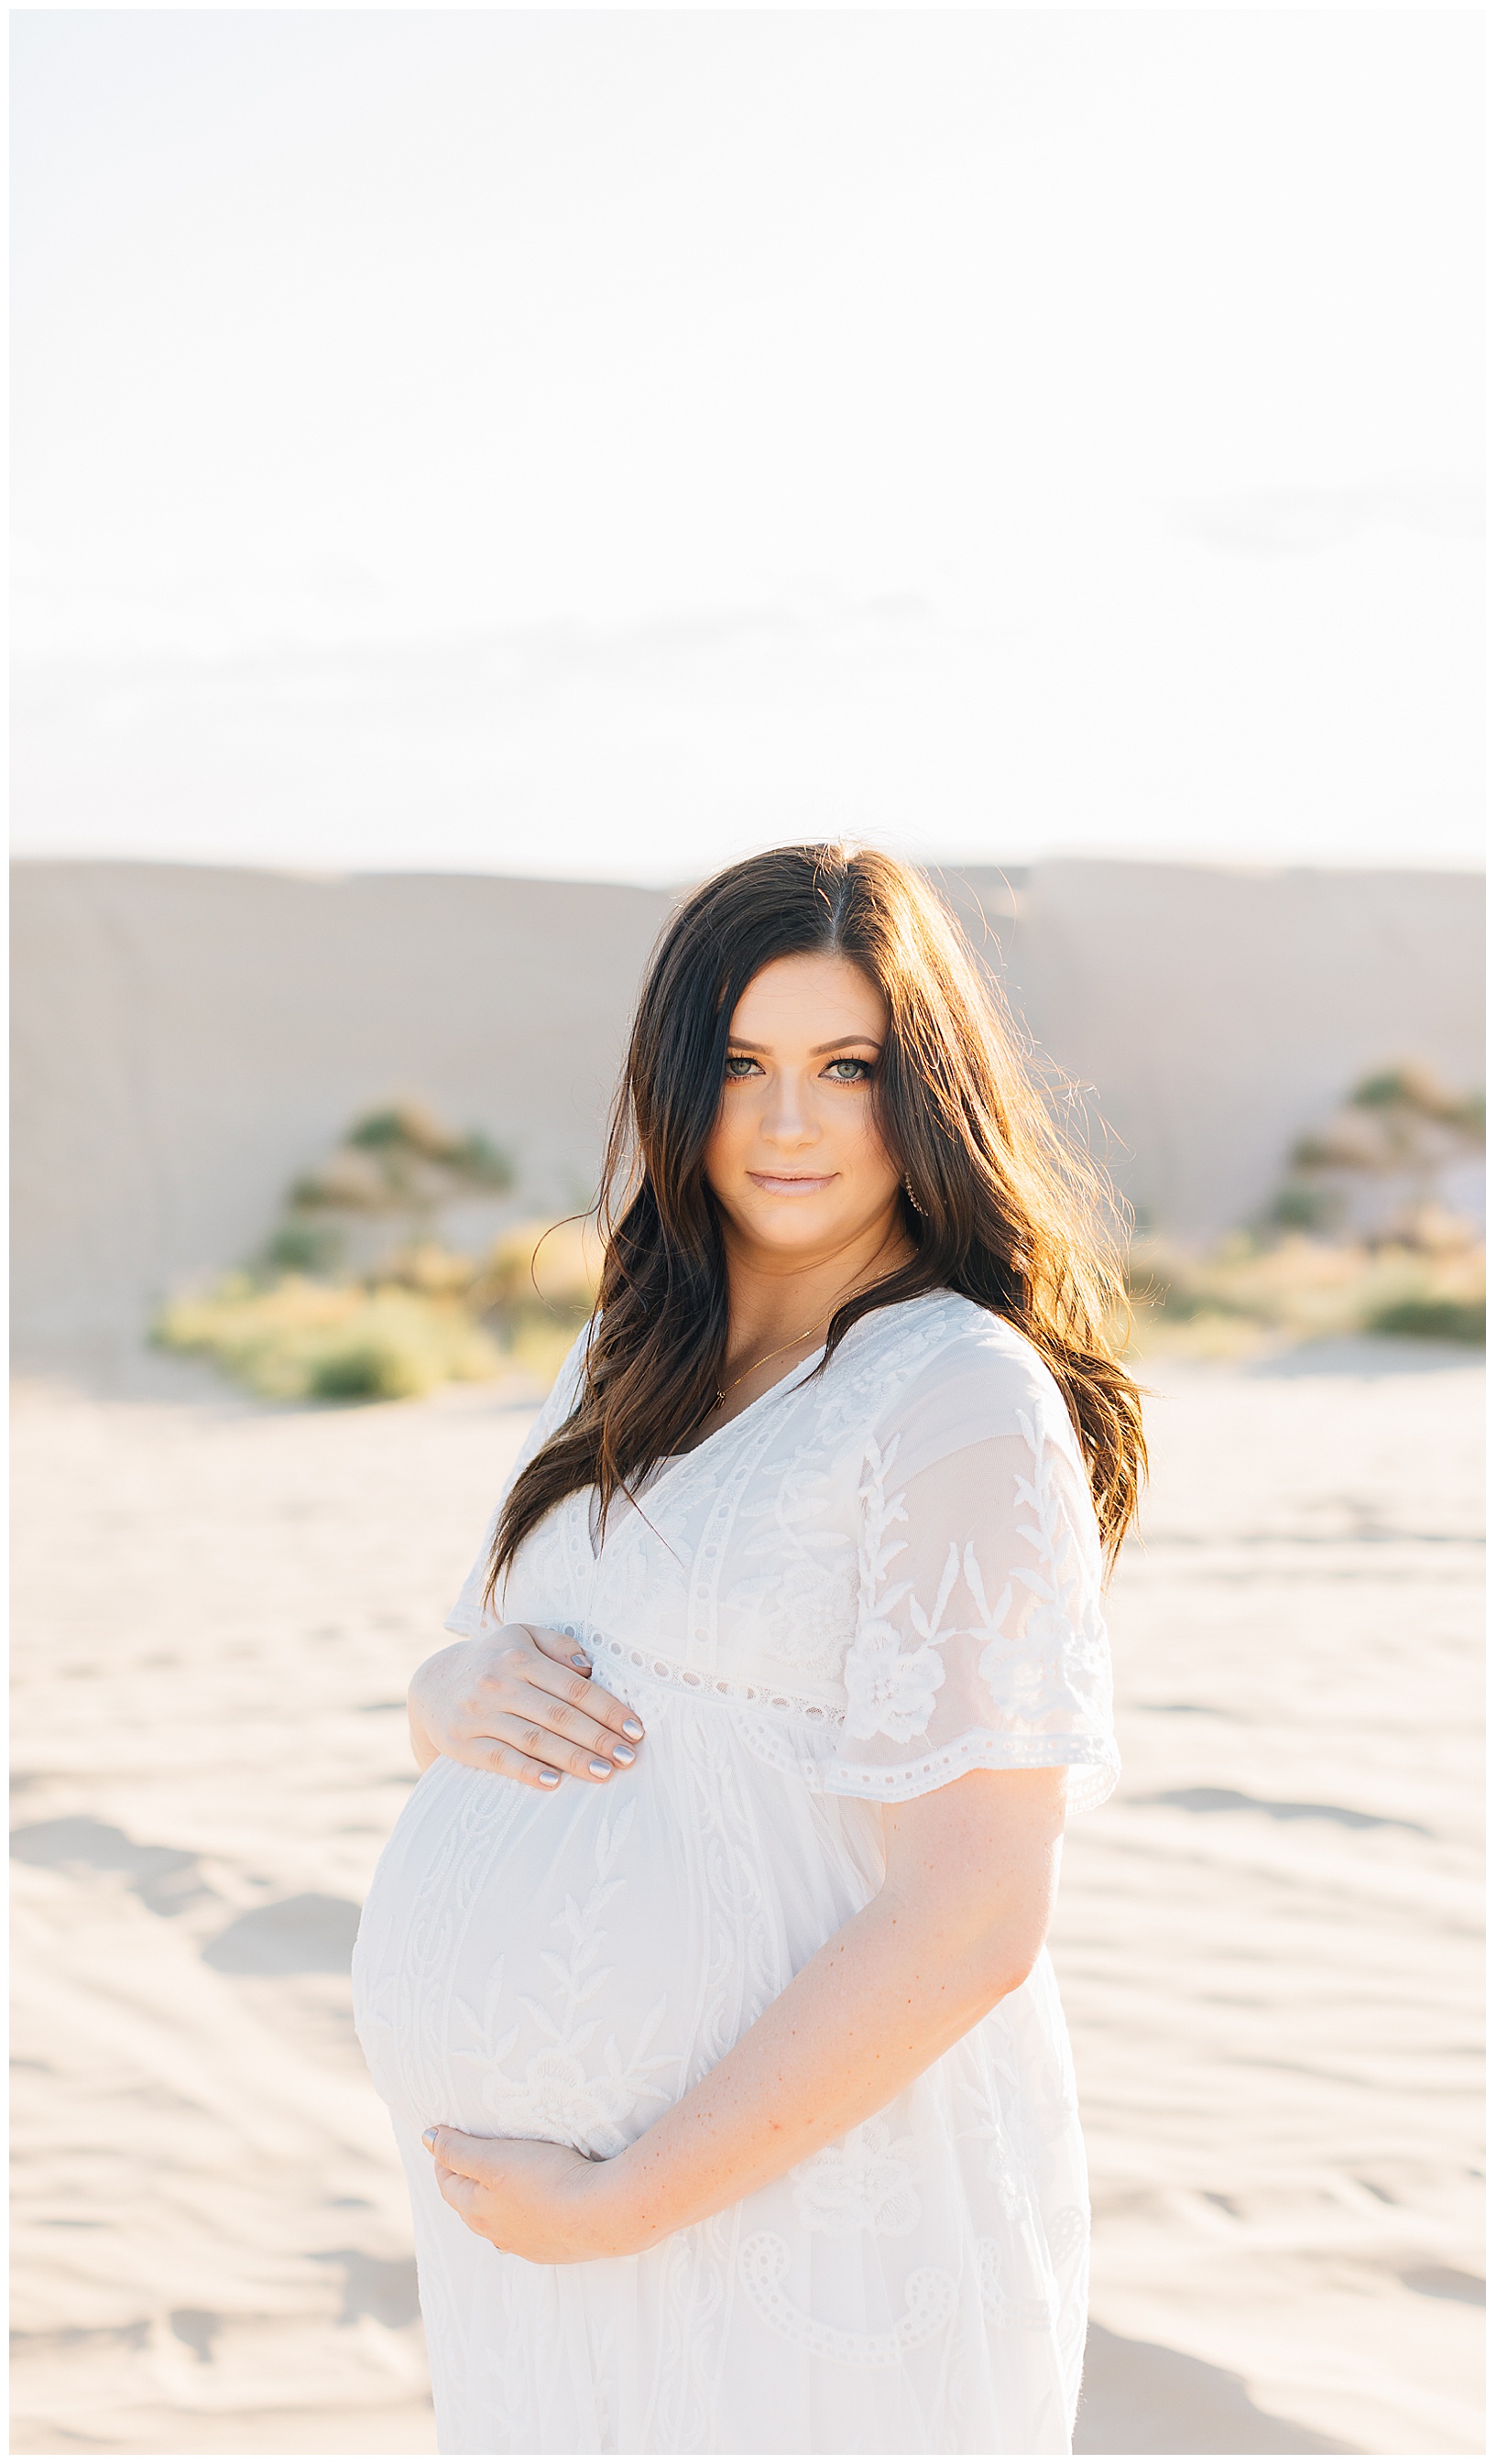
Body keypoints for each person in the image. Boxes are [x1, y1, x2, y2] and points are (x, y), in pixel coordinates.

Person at [353, 843, 1146, 2454]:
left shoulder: (952, 1395)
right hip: (551, 2255)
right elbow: (487, 1676)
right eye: (739, 1063)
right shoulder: (634, 1345)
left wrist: (628, 2196)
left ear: (922, 1090)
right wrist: (441, 1695)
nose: (786, 1122)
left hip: (788, 2226)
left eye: (845, 1067)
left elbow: (978, 1906)